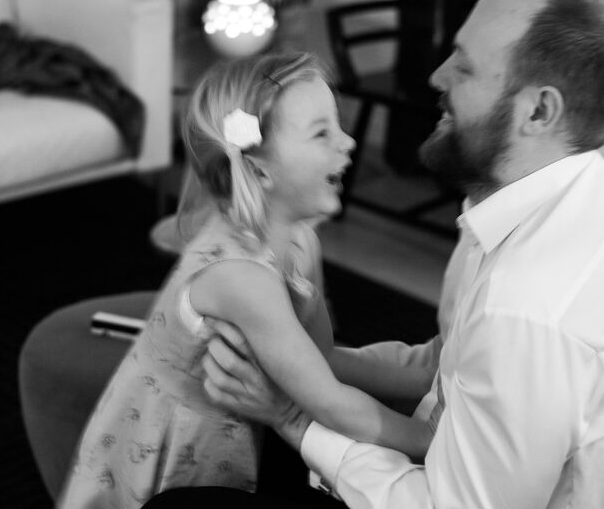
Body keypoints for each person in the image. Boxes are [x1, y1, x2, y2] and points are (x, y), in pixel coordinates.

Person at [158, 0, 604, 508]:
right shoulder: (547, 195)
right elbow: (448, 366)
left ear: (539, 111)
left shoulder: (526, 311)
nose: (436, 76)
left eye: (464, 67)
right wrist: (306, 367)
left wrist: (291, 415)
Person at [58, 52, 437, 509]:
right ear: (259, 170)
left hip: (235, 429)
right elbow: (330, 402)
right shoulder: (241, 280)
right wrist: (434, 442)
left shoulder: (301, 241)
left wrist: (426, 378)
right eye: (322, 132)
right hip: (170, 442)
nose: (349, 141)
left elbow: (322, 360)